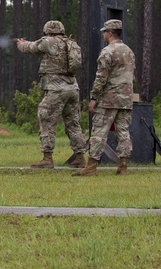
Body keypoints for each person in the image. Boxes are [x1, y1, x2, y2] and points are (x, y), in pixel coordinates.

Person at [15, 20, 87, 169]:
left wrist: (21, 44)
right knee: (73, 123)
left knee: (46, 119)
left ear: (48, 31)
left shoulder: (48, 41)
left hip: (56, 88)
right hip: (73, 88)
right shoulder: (72, 43)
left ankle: (47, 158)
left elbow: (32, 48)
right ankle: (80, 157)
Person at [75, 19, 136, 177]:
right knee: (123, 132)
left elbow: (101, 77)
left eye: (104, 32)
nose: (102, 34)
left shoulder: (107, 52)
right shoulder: (129, 51)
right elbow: (132, 76)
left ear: (110, 33)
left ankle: (91, 166)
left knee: (99, 132)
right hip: (126, 98)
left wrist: (94, 97)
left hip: (109, 98)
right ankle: (123, 167)